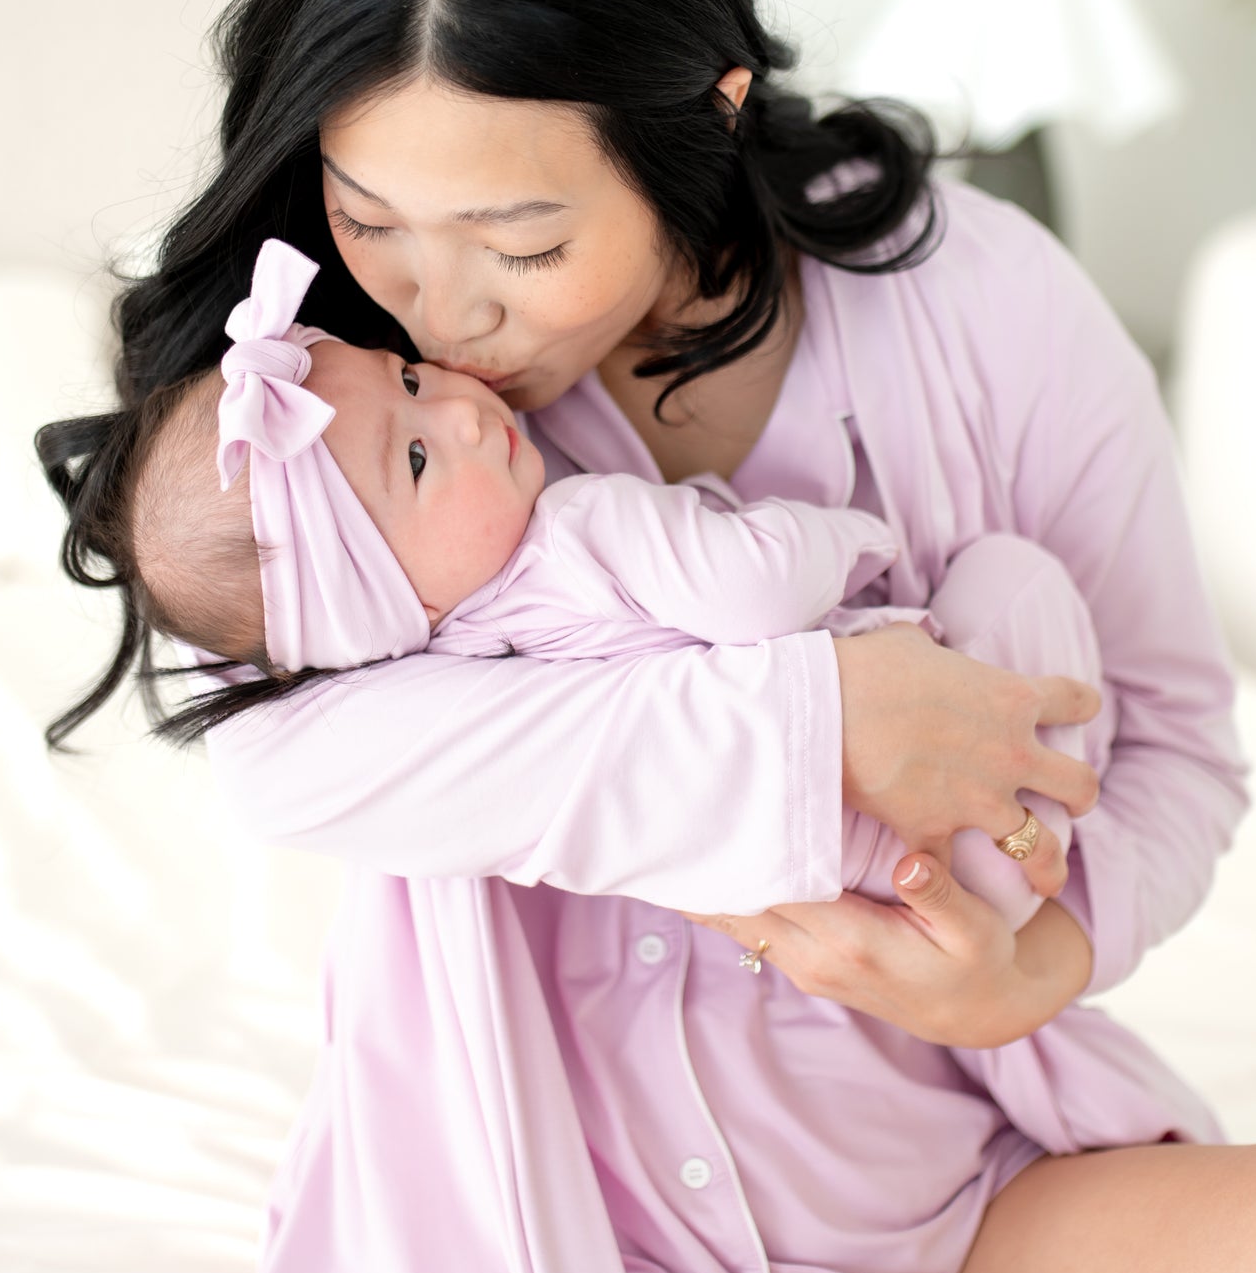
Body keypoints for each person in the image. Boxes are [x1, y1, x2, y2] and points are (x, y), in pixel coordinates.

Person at [36, 0, 1256, 1273]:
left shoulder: (987, 302)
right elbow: (293, 759)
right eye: (371, 220)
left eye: (526, 241)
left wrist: (1039, 966)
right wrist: (822, 723)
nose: (443, 311)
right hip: (559, 1249)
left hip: (958, 1198)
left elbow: (1176, 745)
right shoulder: (333, 415)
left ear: (705, 114)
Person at [115, 232, 1092, 934]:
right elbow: (755, 587)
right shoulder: (578, 527)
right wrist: (849, 537)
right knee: (1014, 579)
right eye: (414, 461)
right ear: (386, 604)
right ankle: (1065, 785)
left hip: (867, 892)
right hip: (962, 828)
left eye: (408, 380)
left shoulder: (467, 662)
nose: (457, 411)